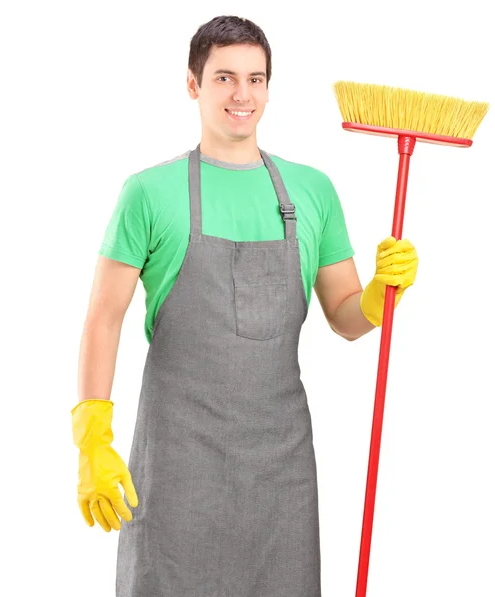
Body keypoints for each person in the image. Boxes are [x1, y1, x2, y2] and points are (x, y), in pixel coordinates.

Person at [71, 14, 418, 597]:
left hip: (279, 465)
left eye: (256, 79)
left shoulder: (312, 191)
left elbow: (345, 316)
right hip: (179, 461)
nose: (242, 94)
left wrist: (382, 296)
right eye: (225, 77)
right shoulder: (148, 193)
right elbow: (103, 319)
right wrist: (92, 437)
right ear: (193, 84)